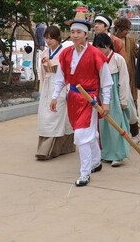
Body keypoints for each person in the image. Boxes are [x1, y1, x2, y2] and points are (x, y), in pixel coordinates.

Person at [50, 18, 112, 187]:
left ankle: (85, 173)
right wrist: (55, 96)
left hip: (89, 99)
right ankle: (96, 161)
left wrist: (105, 103)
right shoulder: (66, 53)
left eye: (79, 32)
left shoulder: (96, 54)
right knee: (87, 134)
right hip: (73, 99)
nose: (75, 35)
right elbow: (60, 78)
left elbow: (106, 81)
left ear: (86, 34)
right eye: (72, 32)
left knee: (81, 136)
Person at [35, 25, 75, 160]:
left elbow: (69, 72)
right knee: (45, 116)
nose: (48, 41)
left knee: (58, 116)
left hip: (61, 86)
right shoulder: (44, 53)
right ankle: (47, 148)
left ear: (58, 38)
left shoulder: (65, 52)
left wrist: (70, 89)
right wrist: (42, 90)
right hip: (47, 85)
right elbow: (42, 73)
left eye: (51, 38)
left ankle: (55, 149)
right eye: (46, 38)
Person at [93, 33, 131, 167]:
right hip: (101, 95)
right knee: (103, 126)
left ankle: (118, 155)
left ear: (108, 45)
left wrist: (123, 100)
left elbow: (124, 80)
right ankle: (106, 153)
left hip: (115, 96)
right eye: (96, 47)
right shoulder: (96, 59)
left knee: (116, 125)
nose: (99, 50)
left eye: (101, 47)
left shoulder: (118, 59)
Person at [113, 17, 140, 144]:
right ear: (119, 29)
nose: (127, 32)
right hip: (116, 78)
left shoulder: (131, 41)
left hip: (130, 76)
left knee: (132, 103)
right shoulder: (111, 41)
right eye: (125, 30)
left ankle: (135, 131)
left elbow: (136, 54)